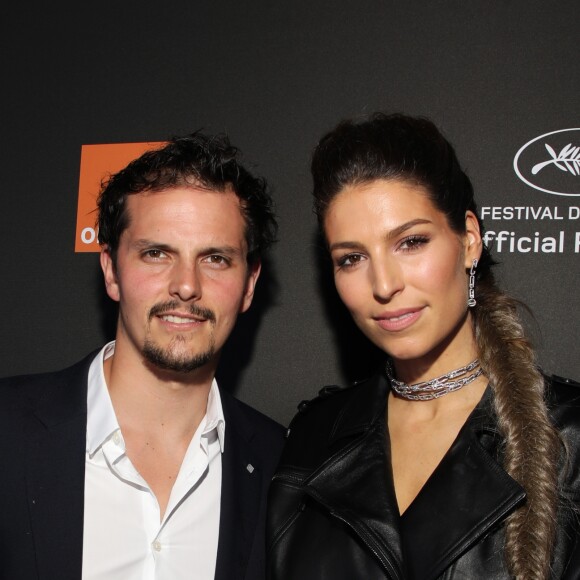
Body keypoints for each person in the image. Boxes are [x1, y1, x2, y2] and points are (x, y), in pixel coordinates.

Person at [266, 113, 580, 579]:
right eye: (352, 258)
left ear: (469, 241)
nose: (384, 284)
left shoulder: (570, 438)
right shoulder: (314, 437)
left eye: (410, 242)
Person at [0, 131, 285, 580]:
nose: (186, 285)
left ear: (249, 285)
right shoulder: (8, 431)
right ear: (111, 270)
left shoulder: (282, 467)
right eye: (156, 253)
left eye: (214, 258)